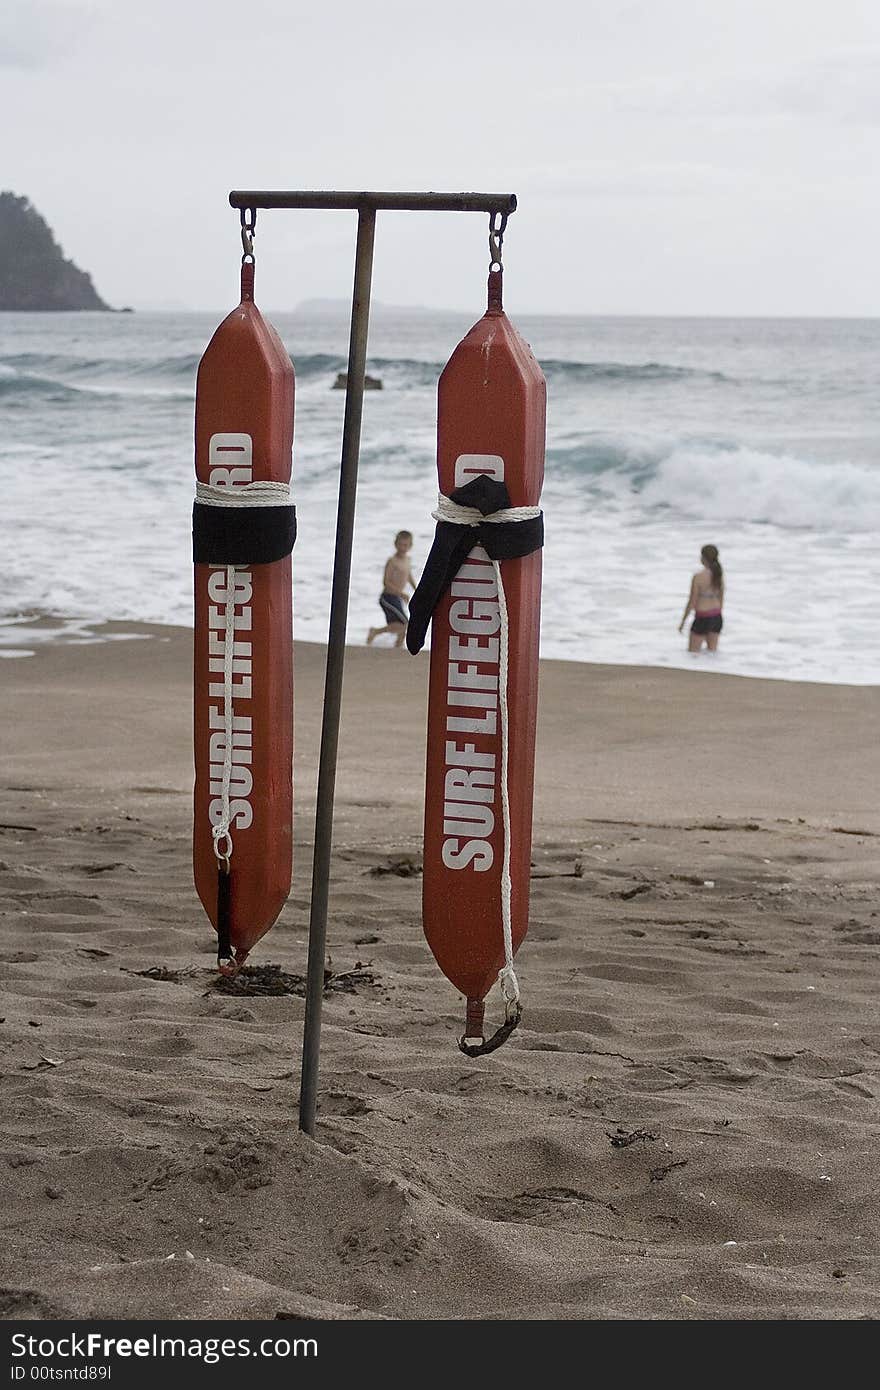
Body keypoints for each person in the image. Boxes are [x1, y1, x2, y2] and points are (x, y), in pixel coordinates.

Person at [367, 530, 416, 648]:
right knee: (405, 623)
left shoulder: (408, 560)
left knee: (399, 624)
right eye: (400, 544)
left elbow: (408, 575)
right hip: (387, 597)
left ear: (410, 546)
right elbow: (386, 582)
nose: (402, 548)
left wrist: (416, 589)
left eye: (405, 545)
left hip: (397, 598)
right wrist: (401, 593)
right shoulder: (392, 561)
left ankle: (398, 645)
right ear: (395, 544)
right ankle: (376, 632)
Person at [679, 544, 724, 653]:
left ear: (703, 558)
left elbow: (692, 602)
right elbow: (721, 599)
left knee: (693, 653)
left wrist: (683, 622)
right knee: (712, 653)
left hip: (702, 617)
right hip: (716, 616)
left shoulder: (698, 577)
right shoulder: (719, 575)